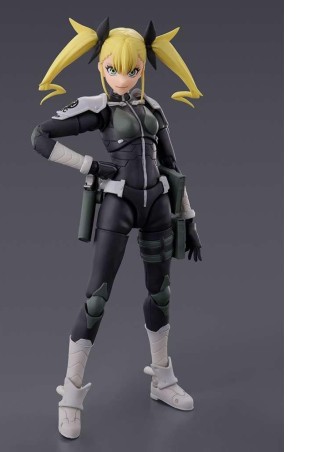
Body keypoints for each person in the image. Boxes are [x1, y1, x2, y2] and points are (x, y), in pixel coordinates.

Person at [31, 17, 203, 439]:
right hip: (119, 203)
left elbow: (173, 166)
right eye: (114, 68)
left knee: (160, 294)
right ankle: (70, 397)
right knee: (96, 298)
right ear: (101, 67)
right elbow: (41, 136)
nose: (123, 77)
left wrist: (189, 217)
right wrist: (90, 166)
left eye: (132, 69)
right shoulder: (99, 107)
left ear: (143, 67)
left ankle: (162, 379)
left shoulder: (154, 109)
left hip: (158, 205)